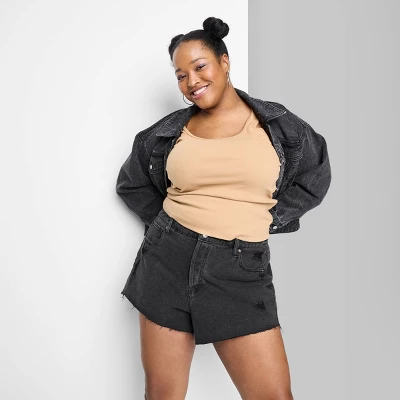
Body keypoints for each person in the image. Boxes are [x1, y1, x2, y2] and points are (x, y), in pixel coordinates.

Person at [116, 16, 331, 400]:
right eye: (181, 75)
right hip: (167, 263)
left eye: (200, 67)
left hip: (241, 267)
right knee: (162, 395)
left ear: (224, 62)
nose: (191, 81)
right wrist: (168, 226)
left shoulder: (277, 125)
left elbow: (316, 174)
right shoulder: (167, 133)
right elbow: (131, 183)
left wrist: (268, 220)